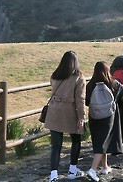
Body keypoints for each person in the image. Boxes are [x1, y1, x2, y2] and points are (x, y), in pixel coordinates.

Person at [85, 61, 123, 182]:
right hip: (108, 116)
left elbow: (86, 102)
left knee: (100, 141)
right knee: (103, 143)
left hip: (94, 116)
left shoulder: (90, 85)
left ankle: (105, 167)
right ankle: (92, 170)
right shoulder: (112, 83)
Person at [44, 51, 86, 182]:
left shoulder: (55, 75)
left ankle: (53, 175)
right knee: (76, 140)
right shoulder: (79, 77)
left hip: (54, 110)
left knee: (56, 145)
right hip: (70, 111)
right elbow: (80, 99)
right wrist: (81, 117)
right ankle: (72, 170)